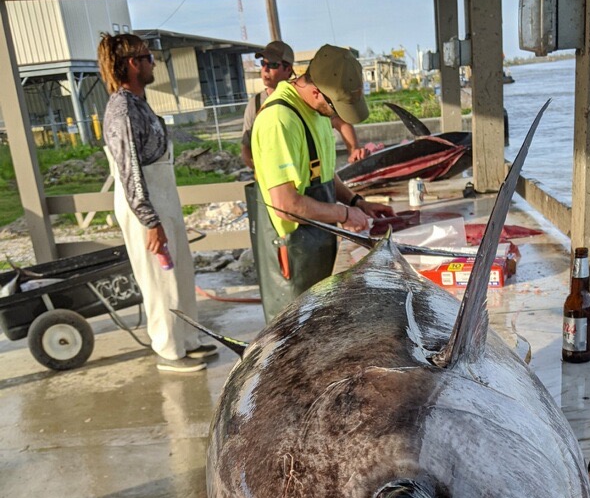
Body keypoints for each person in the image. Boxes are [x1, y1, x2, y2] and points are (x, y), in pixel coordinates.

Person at [97, 33, 217, 374]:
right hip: (145, 203)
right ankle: (168, 350)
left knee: (180, 273)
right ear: (133, 63)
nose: (154, 63)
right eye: (149, 57)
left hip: (163, 196)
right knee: (159, 279)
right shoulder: (121, 108)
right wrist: (150, 221)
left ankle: (188, 340)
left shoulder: (139, 103)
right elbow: (128, 168)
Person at [250, 44, 393, 322]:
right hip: (293, 254)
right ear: (316, 91)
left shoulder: (315, 111)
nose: (337, 114)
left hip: (319, 243)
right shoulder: (279, 120)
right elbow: (286, 205)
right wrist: (344, 214)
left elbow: (323, 174)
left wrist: (356, 202)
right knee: (294, 338)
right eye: (336, 106)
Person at [241, 40, 369, 169]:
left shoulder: (308, 101)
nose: (265, 69)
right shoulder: (258, 105)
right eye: (263, 63)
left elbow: (340, 121)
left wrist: (354, 149)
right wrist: (265, 172)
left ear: (288, 68)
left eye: (273, 65)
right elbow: (246, 147)